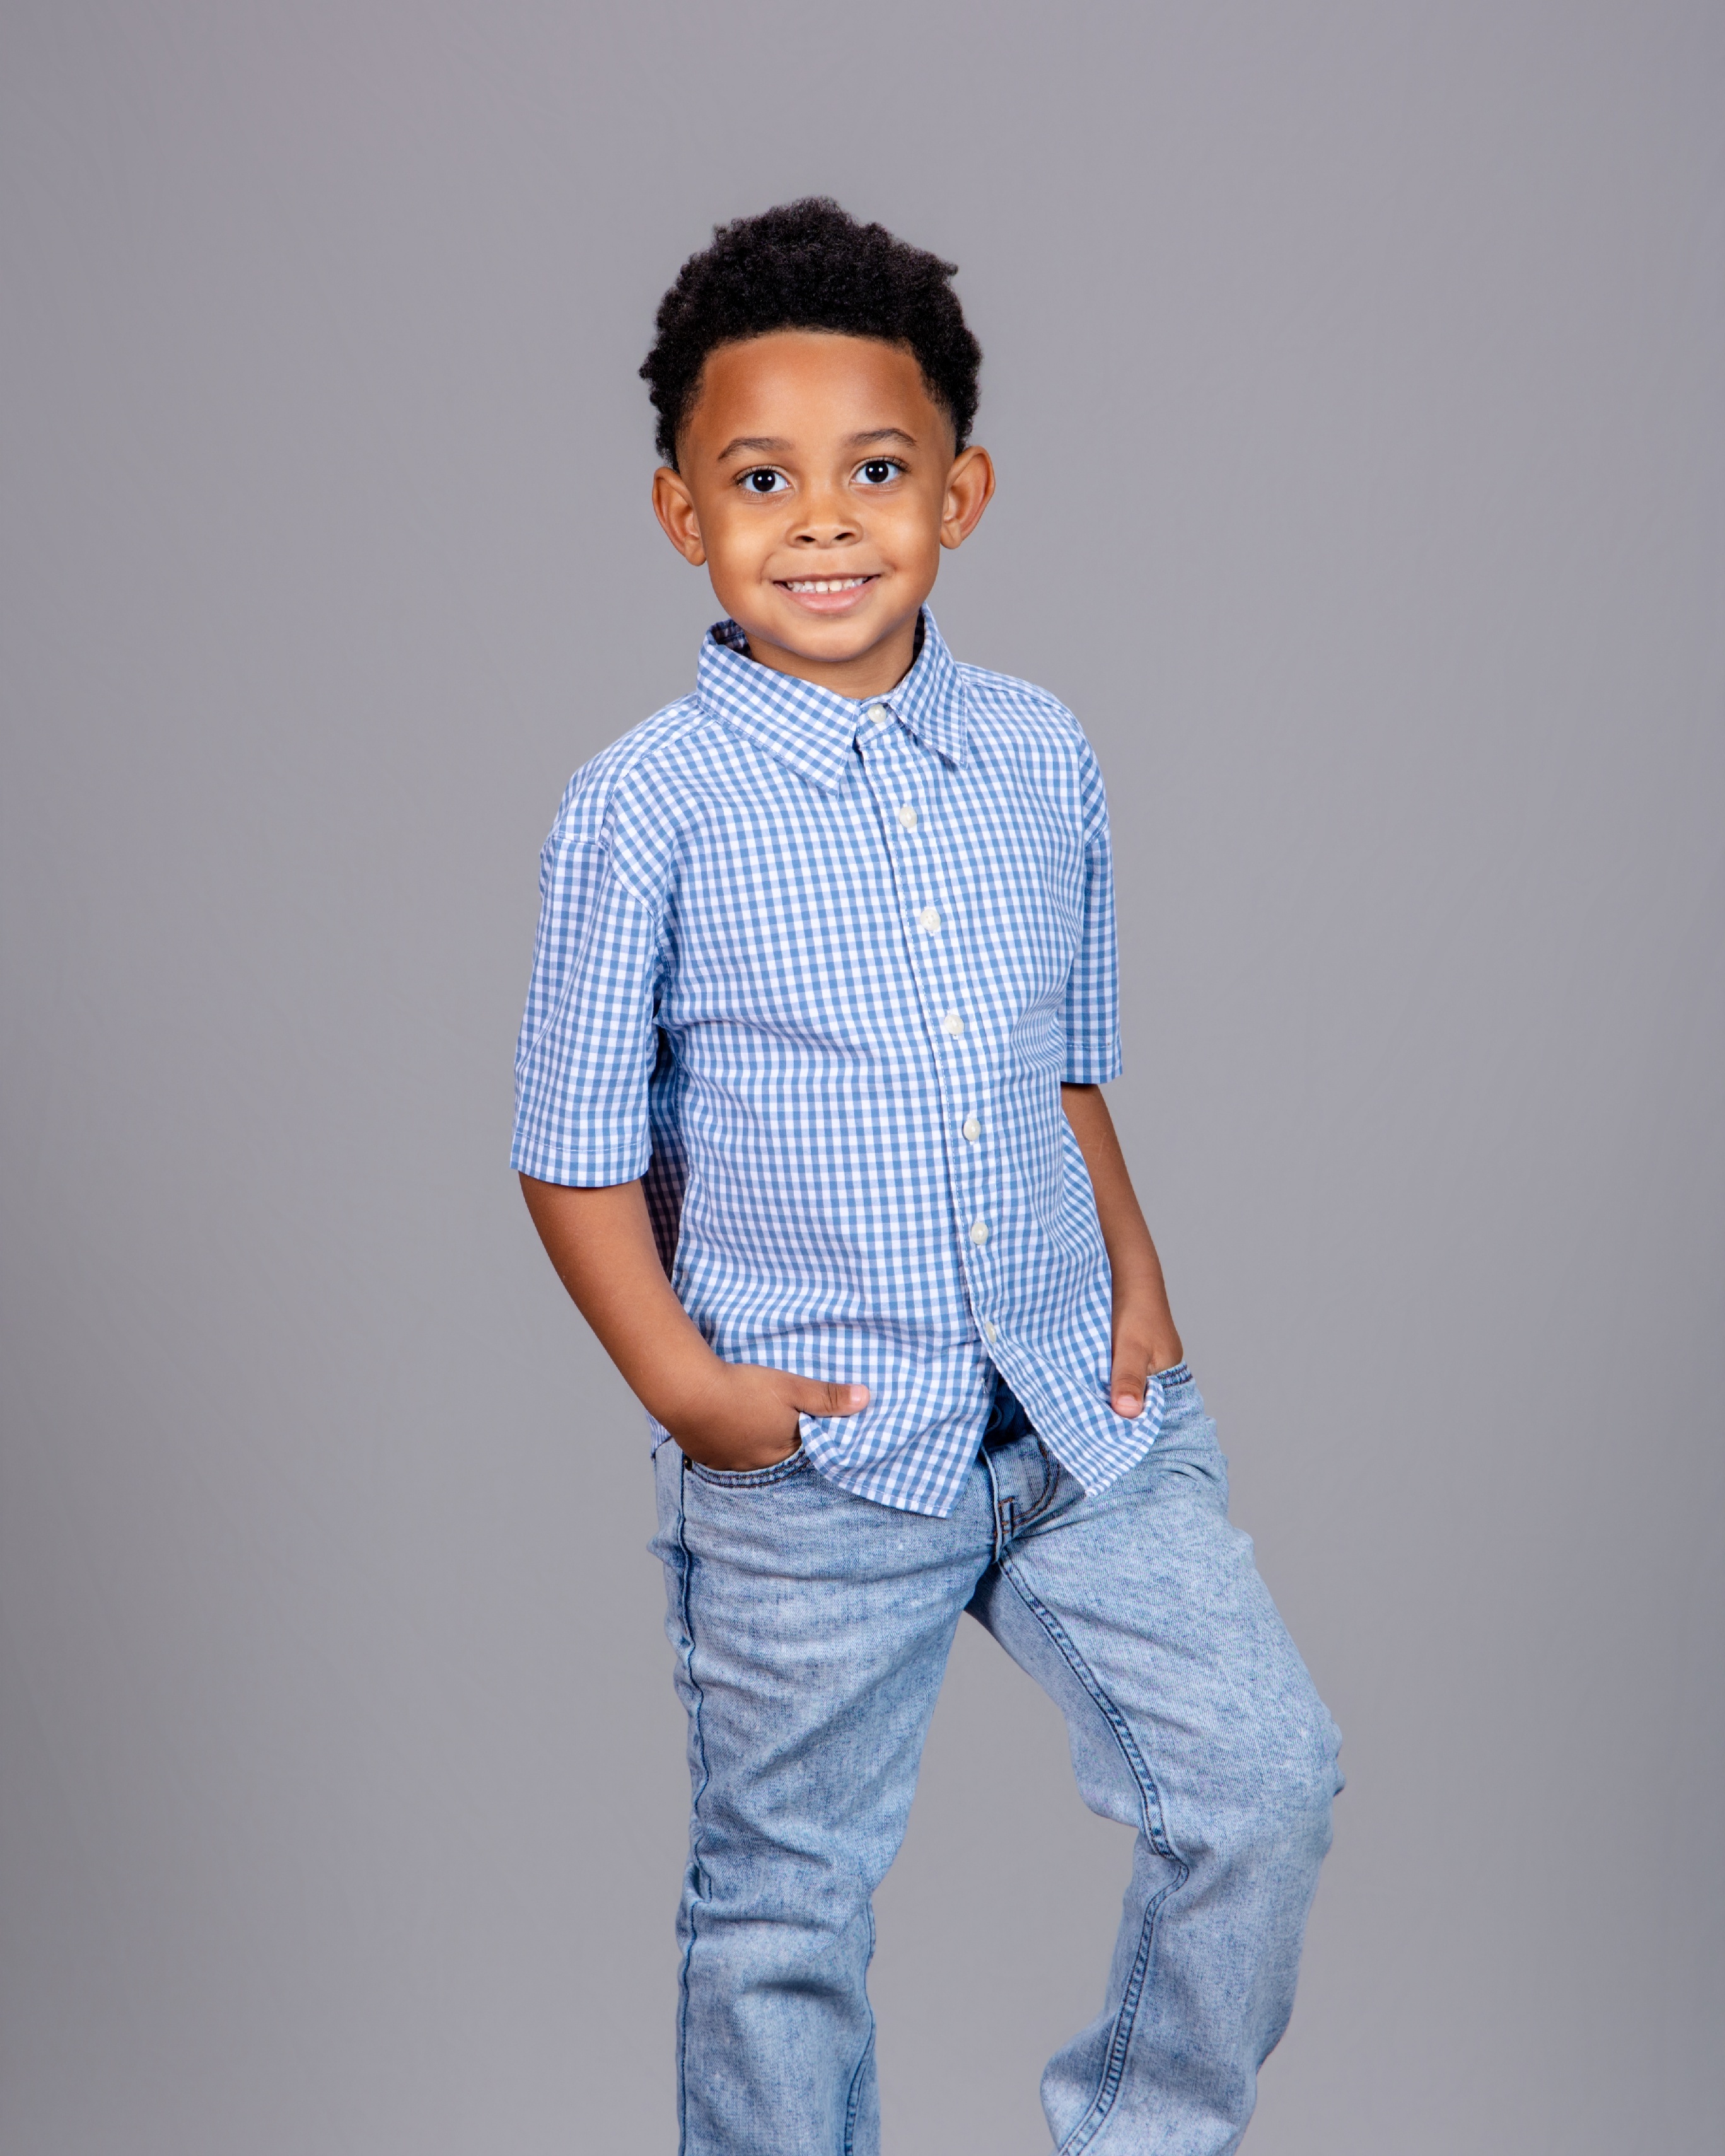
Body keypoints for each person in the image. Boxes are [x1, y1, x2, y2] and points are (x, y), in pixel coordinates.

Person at [513, 197, 1342, 2156]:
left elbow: (1061, 1067)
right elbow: (571, 1154)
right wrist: (690, 1391)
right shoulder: (644, 809)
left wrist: (1138, 1278)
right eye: (761, 479)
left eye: (875, 471)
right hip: (814, 1456)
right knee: (782, 1909)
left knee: (1264, 1777)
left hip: (1077, 1411)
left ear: (958, 494)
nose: (823, 521)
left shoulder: (1043, 755)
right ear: (681, 514)